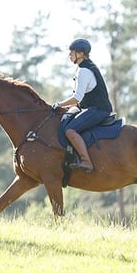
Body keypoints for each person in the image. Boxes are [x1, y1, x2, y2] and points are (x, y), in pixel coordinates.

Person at [52, 38, 112, 173]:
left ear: (80, 53)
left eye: (71, 52)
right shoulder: (87, 67)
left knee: (70, 130)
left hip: (98, 110)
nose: (69, 55)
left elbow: (77, 97)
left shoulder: (84, 70)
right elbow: (82, 98)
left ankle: (86, 161)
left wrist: (59, 104)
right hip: (92, 107)